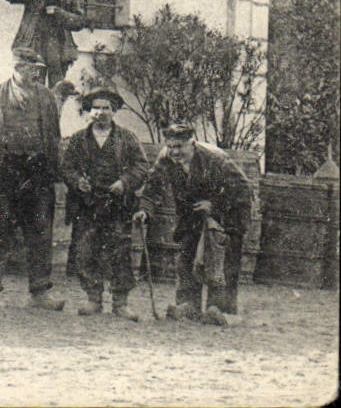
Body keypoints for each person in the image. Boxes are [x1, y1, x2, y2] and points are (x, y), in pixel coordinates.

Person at [0, 48, 66, 310]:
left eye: (35, 68)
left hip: (37, 172)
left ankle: (39, 292)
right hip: (5, 172)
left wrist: (51, 168)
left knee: (40, 232)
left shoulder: (46, 97)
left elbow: (54, 136)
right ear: (15, 68)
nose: (32, 72)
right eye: (26, 68)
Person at [135, 124, 252, 325]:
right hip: (192, 215)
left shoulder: (214, 159)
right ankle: (187, 305)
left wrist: (214, 206)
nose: (175, 152)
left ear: (192, 143)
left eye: (179, 146)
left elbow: (243, 190)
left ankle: (222, 311)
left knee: (221, 263)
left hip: (227, 217)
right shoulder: (166, 158)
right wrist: (144, 210)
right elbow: (152, 186)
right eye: (170, 146)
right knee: (186, 257)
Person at [62, 86, 146, 321]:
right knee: (86, 251)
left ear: (114, 111)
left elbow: (141, 166)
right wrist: (78, 181)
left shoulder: (127, 138)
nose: (100, 113)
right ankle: (93, 298)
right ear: (89, 112)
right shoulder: (79, 139)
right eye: (96, 108)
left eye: (105, 108)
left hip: (117, 205)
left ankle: (120, 302)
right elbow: (66, 167)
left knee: (120, 251)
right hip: (87, 205)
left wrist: (124, 182)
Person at [3, 0, 86, 86]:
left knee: (57, 87)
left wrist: (60, 13)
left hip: (58, 46)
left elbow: (80, 22)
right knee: (32, 86)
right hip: (34, 44)